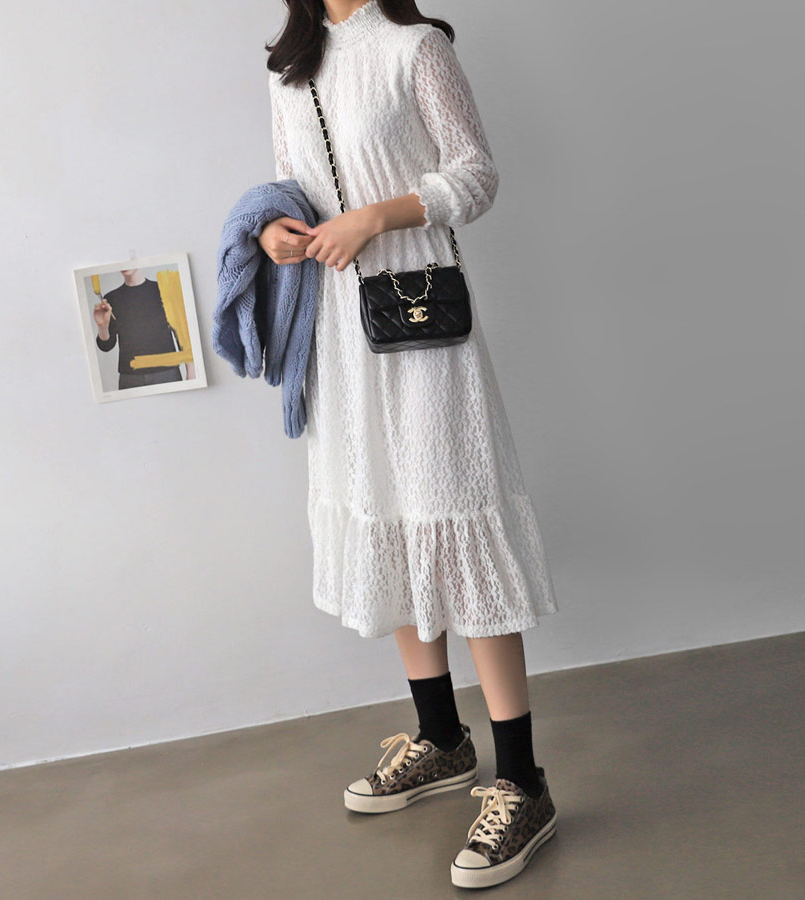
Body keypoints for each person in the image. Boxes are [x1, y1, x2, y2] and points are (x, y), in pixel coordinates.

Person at [261, 1, 559, 888]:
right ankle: (440, 738)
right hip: (340, 333)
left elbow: (475, 175)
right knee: (387, 513)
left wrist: (376, 217)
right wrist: (276, 231)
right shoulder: (289, 69)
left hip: (422, 315)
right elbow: (289, 187)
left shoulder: (415, 48)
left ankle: (524, 782)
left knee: (455, 517)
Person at [94, 269, 192, 390]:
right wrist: (102, 326)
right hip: (130, 379)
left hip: (167, 374)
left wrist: (191, 372)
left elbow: (182, 334)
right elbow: (106, 346)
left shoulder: (166, 289)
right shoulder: (111, 298)